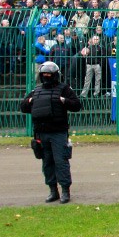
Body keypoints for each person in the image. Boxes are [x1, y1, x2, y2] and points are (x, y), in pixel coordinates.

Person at [19, 62, 82, 203]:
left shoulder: (64, 89)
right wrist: (29, 102)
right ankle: (53, 190)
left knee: (61, 162)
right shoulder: (37, 90)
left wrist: (64, 101)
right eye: (44, 75)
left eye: (49, 75)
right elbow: (23, 107)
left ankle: (65, 190)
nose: (47, 77)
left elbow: (77, 105)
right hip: (41, 133)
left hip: (58, 132)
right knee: (47, 163)